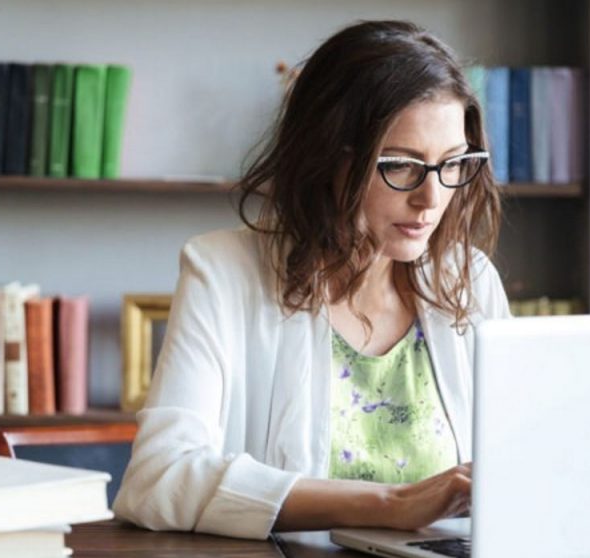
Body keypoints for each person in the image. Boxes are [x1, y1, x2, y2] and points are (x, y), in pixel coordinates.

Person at [113, 20, 509, 540]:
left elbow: (520, 466)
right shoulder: (223, 273)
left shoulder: (470, 279)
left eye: (453, 165)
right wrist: (391, 503)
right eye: (401, 166)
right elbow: (159, 479)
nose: (431, 199)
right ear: (329, 158)